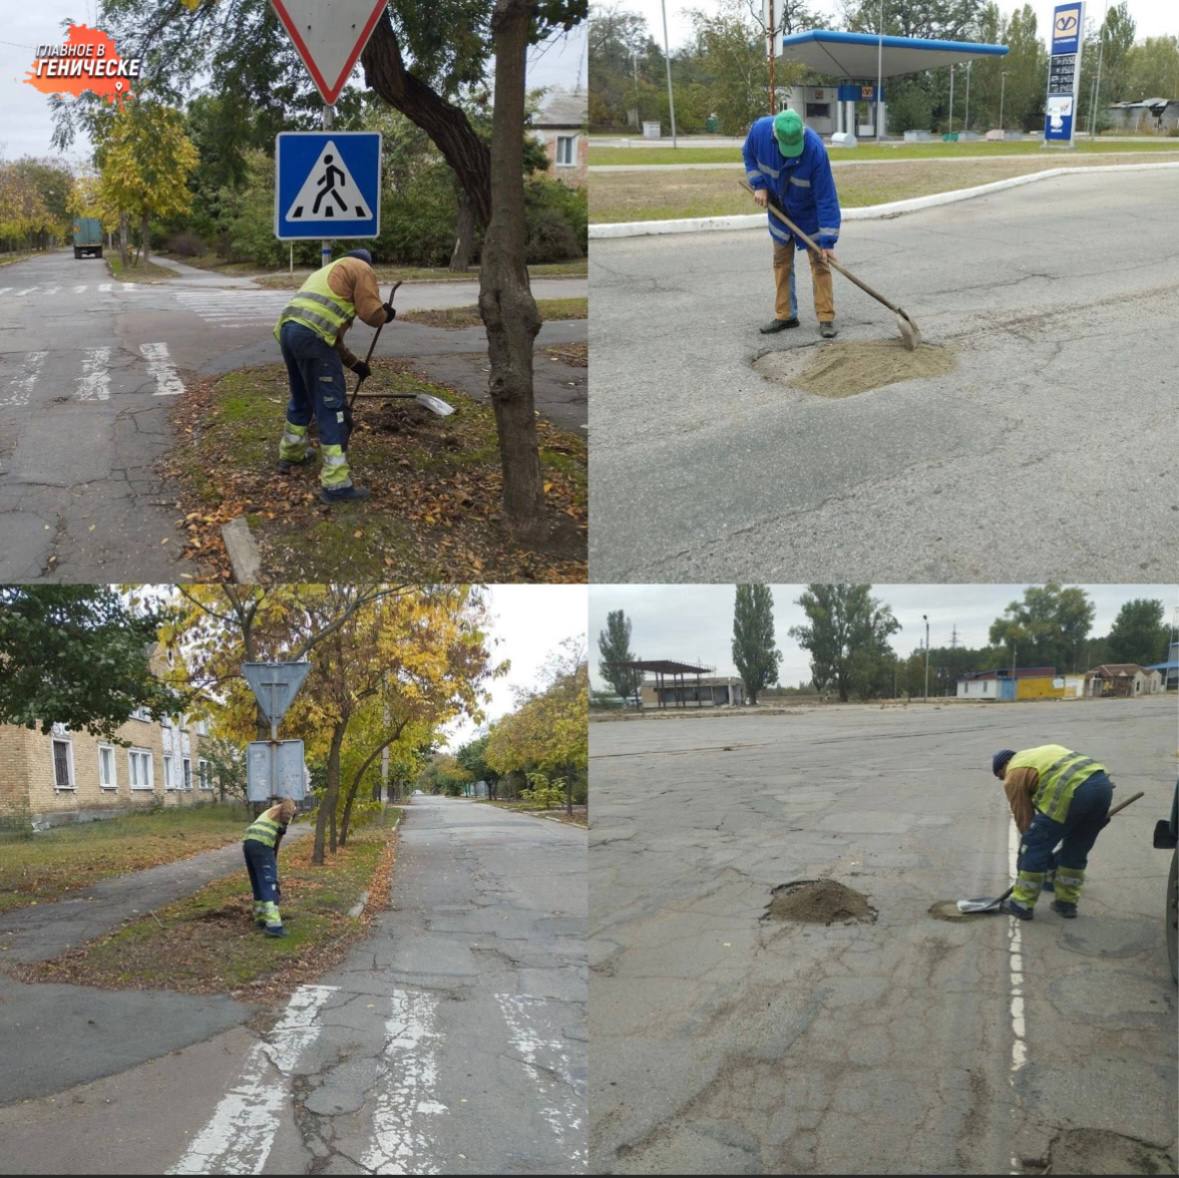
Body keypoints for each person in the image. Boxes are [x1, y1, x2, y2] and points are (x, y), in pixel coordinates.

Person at [274, 247, 396, 504]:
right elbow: (371, 314)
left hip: (289, 331)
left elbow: (332, 338)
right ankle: (336, 483)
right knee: (332, 408)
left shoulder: (329, 273)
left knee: (302, 397)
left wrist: (354, 365)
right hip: (311, 337)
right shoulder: (361, 267)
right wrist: (386, 314)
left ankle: (292, 452)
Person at [742, 108, 842, 339]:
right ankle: (786, 315)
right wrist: (759, 185)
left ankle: (826, 317)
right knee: (781, 261)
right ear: (774, 136)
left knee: (820, 261)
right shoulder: (759, 132)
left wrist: (828, 241)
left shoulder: (815, 150)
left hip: (808, 215)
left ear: (803, 134)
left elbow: (826, 197)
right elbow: (749, 157)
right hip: (779, 210)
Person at [992, 746, 1114, 920]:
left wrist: (1034, 848)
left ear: (1004, 766)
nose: (1002, 779)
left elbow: (1024, 817)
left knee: (1033, 844)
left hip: (1071, 789)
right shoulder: (1040, 754)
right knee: (1076, 849)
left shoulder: (1013, 773)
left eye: (1000, 776)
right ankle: (1066, 904)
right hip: (1102, 786)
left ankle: (1021, 905)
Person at [243, 796, 297, 937]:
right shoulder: (286, 811)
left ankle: (261, 917)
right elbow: (288, 802)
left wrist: (274, 859)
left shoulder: (271, 812)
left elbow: (275, 844)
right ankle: (274, 926)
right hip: (262, 844)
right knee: (268, 883)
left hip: (249, 843)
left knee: (257, 881)